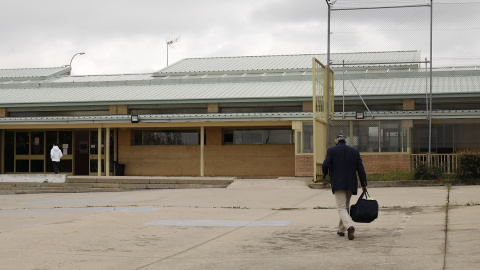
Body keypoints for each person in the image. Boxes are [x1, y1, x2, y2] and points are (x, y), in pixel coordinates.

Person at [322, 133, 367, 240]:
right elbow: (360, 169)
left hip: (338, 183)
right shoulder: (354, 152)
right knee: (345, 206)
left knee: (341, 207)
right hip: (351, 184)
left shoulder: (331, 151)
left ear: (336, 141)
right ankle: (341, 230)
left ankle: (349, 226)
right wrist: (364, 184)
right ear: (345, 141)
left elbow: (325, 164)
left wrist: (324, 174)